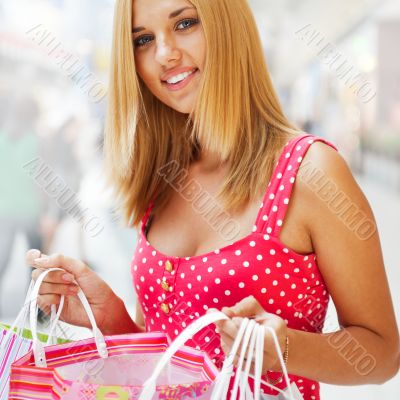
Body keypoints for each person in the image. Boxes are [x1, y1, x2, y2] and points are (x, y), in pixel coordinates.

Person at [27, 0, 399, 399]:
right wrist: (112, 320)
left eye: (185, 23)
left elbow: (382, 353)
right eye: (143, 39)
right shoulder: (163, 175)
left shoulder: (311, 171)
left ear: (228, 25)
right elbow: (166, 360)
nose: (165, 54)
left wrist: (284, 349)